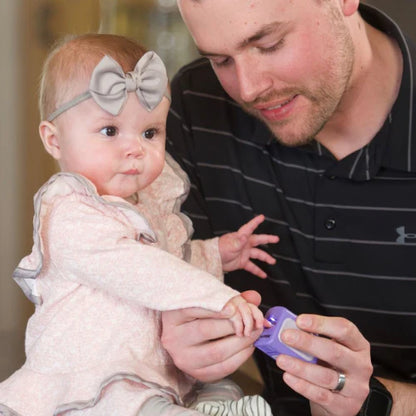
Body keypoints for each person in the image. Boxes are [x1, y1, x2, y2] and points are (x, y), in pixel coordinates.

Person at [0, 33, 279, 416]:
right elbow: (141, 268)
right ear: (54, 140)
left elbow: (165, 258)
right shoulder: (68, 213)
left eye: (150, 133)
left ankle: (216, 407)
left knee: (214, 385)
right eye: (110, 131)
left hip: (142, 371)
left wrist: (215, 252)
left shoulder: (144, 207)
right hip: (90, 377)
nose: (135, 148)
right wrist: (216, 297)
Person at [162, 1, 416, 415]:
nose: (248, 89)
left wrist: (379, 404)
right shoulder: (197, 108)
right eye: (221, 59)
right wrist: (173, 346)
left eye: (269, 44)